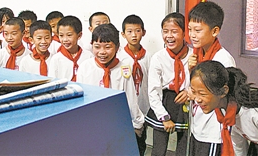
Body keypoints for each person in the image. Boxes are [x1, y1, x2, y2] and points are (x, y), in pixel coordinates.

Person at [76, 23, 145, 149]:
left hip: (117, 124)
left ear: (117, 47)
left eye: (107, 47)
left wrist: (136, 123)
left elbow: (130, 98)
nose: (102, 52)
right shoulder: (85, 67)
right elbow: (82, 99)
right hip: (92, 123)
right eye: (97, 47)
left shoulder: (124, 68)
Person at [187, 1, 236, 156]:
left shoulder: (223, 60)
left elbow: (225, 98)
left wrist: (194, 94)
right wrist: (190, 70)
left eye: (198, 30)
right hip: (198, 126)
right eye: (189, 29)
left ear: (214, 31)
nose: (192, 35)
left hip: (214, 131)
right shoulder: (196, 55)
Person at [146, 12, 192, 156]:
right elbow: (153, 90)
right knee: (158, 150)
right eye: (165, 31)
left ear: (184, 33)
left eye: (174, 31)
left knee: (183, 149)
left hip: (185, 102)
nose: (169, 36)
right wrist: (164, 117)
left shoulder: (193, 55)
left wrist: (189, 90)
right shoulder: (158, 58)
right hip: (164, 102)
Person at [117, 14, 151, 156]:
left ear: (143, 32)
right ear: (123, 34)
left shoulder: (148, 56)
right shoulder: (119, 57)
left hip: (144, 104)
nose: (134, 35)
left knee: (141, 141)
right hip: (126, 107)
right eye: (129, 31)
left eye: (137, 31)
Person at [48, 16, 92, 81]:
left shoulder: (88, 56)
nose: (65, 39)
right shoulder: (56, 59)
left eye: (69, 35)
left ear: (79, 35)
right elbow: (52, 81)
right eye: (61, 35)